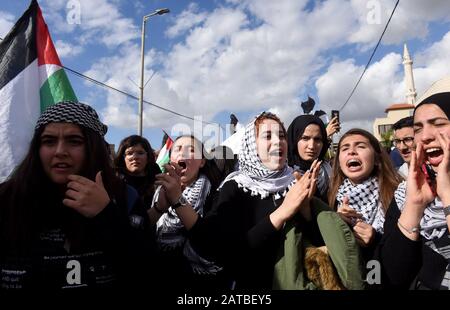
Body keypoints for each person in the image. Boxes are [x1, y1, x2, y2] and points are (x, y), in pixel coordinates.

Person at [155, 112, 363, 289]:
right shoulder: (235, 186)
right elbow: (227, 251)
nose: (277, 141)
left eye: (281, 135)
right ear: (251, 145)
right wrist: (282, 213)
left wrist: (308, 209)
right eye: (267, 136)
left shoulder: (297, 180)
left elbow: (316, 242)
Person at [0, 101, 154, 289]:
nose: (60, 152)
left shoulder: (123, 196)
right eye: (49, 141)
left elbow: (147, 271)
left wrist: (106, 215)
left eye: (74, 141)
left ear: (93, 148)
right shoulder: (7, 197)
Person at [378, 90, 450, 290]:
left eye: (439, 124)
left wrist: (447, 196)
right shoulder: (407, 193)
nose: (425, 136)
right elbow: (388, 277)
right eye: (418, 129)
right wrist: (414, 205)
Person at [150, 135, 225, 289]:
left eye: (191, 150)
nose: (183, 154)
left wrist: (177, 198)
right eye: (177, 149)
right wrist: (158, 208)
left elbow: (209, 241)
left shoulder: (216, 194)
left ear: (202, 162)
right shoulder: (158, 191)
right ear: (170, 159)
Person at [328, 129, 402, 265]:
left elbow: (406, 251)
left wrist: (375, 239)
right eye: (345, 148)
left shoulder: (398, 194)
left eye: (360, 146)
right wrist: (337, 225)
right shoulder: (331, 198)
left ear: (377, 159)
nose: (351, 152)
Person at [287, 115, 332, 202]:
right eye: (305, 138)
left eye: (317, 139)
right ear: (294, 140)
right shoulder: (282, 176)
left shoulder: (328, 172)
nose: (311, 146)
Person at [114, 135, 161, 209]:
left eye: (140, 153)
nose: (135, 157)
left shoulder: (159, 183)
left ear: (148, 157)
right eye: (129, 153)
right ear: (123, 157)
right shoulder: (113, 183)